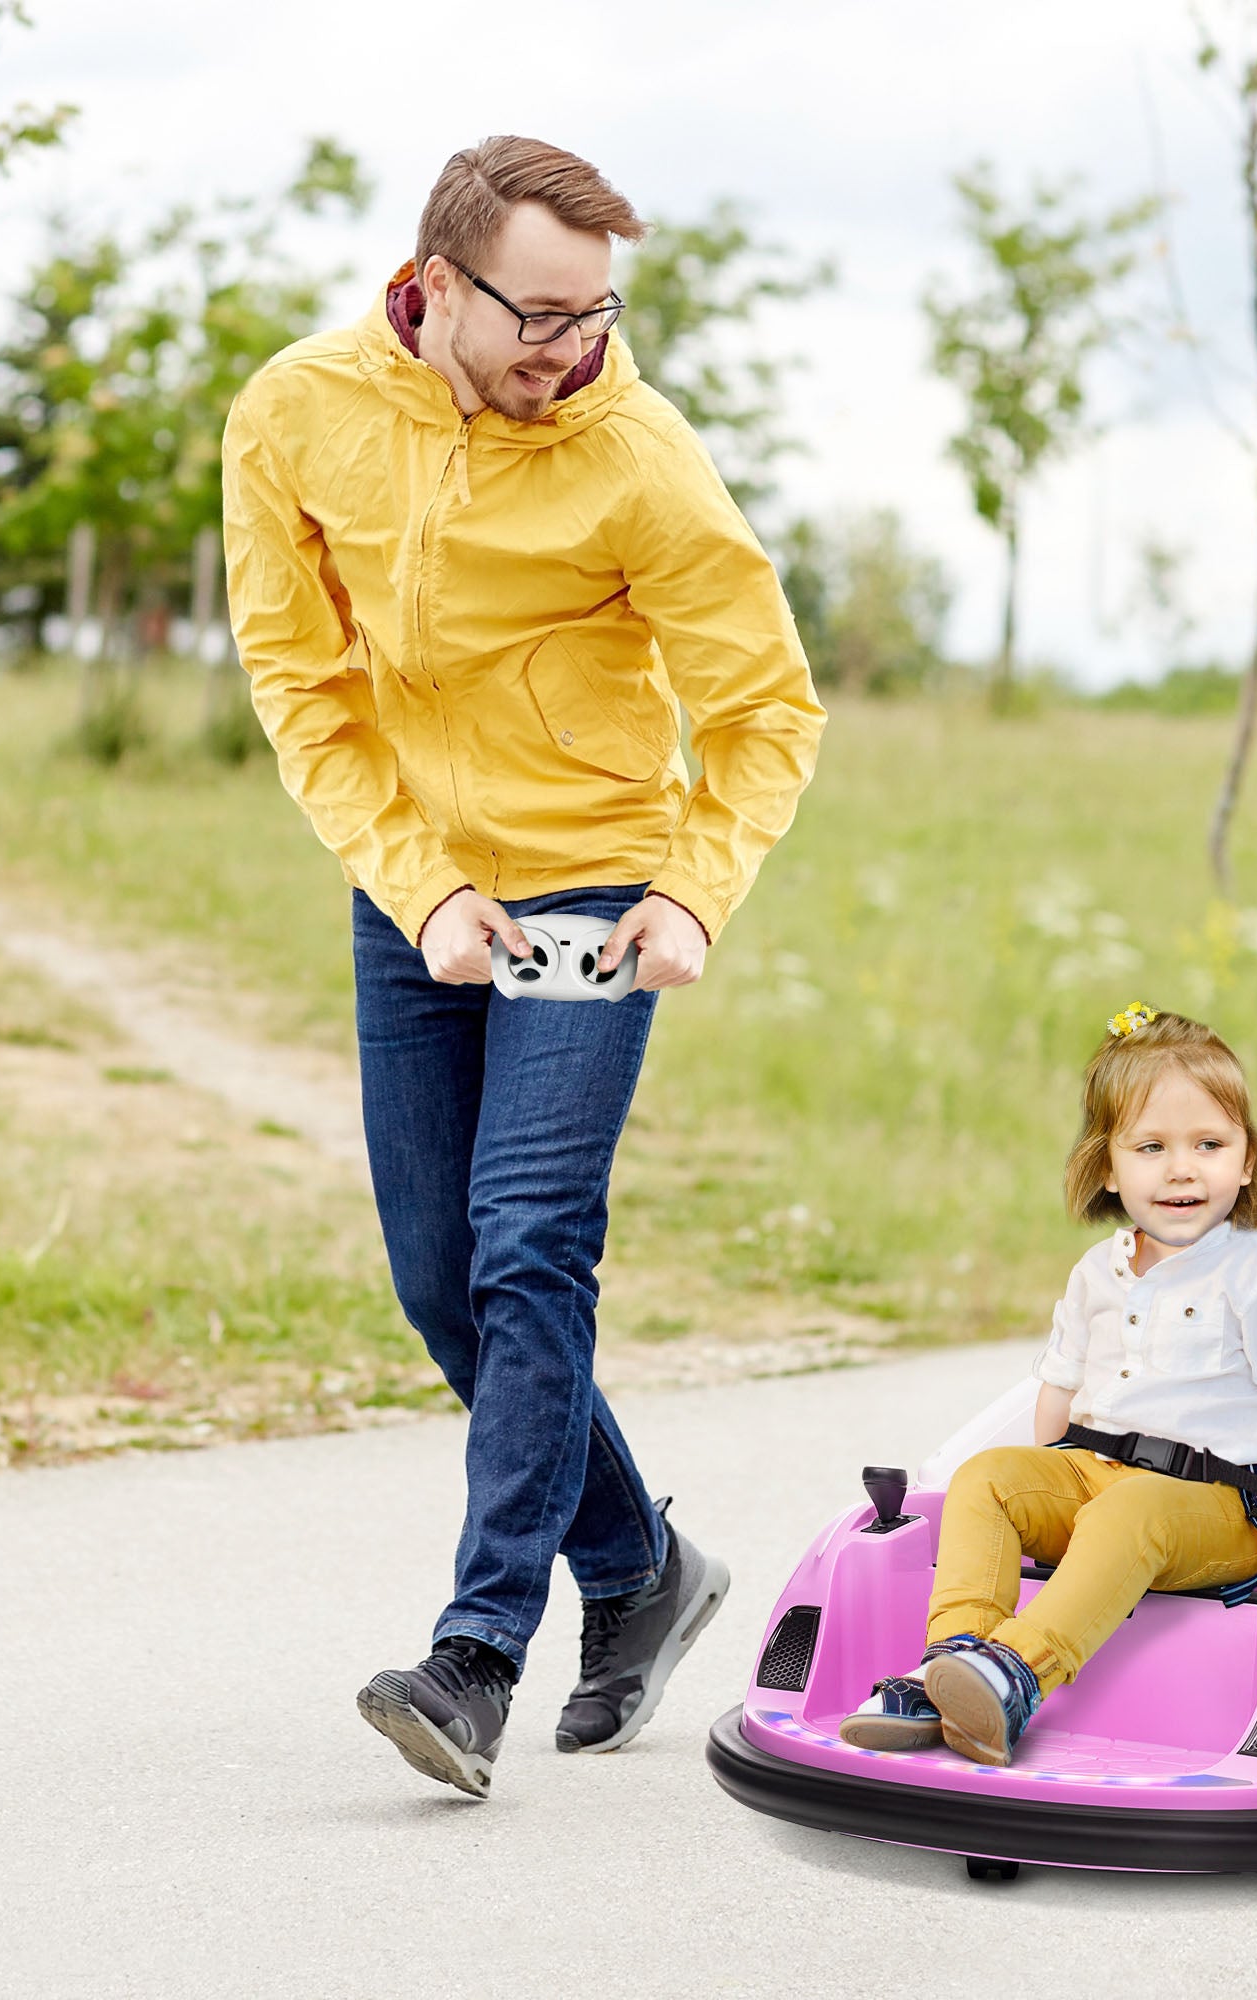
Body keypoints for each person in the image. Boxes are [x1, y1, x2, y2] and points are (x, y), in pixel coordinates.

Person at [221, 136, 825, 1799]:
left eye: (597, 311)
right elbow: (303, 687)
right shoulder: (295, 412)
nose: (575, 347)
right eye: (540, 314)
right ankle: (640, 1568)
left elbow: (769, 708)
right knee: (438, 1277)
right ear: (435, 281)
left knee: (529, 1244)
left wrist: (695, 892)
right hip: (417, 889)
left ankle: (475, 1659)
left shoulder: (639, 457)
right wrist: (418, 892)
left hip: (592, 893)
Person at [841, 1005, 1257, 1767]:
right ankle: (949, 1664)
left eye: (1209, 1145)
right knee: (989, 1477)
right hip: (1094, 1476)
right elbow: (1058, 1398)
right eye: (1151, 1147)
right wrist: (1046, 1496)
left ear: (1247, 1161)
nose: (1182, 1168)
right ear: (1108, 1169)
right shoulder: (1098, 1272)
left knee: (1134, 1505)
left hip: (1212, 1508)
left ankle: (1017, 1670)